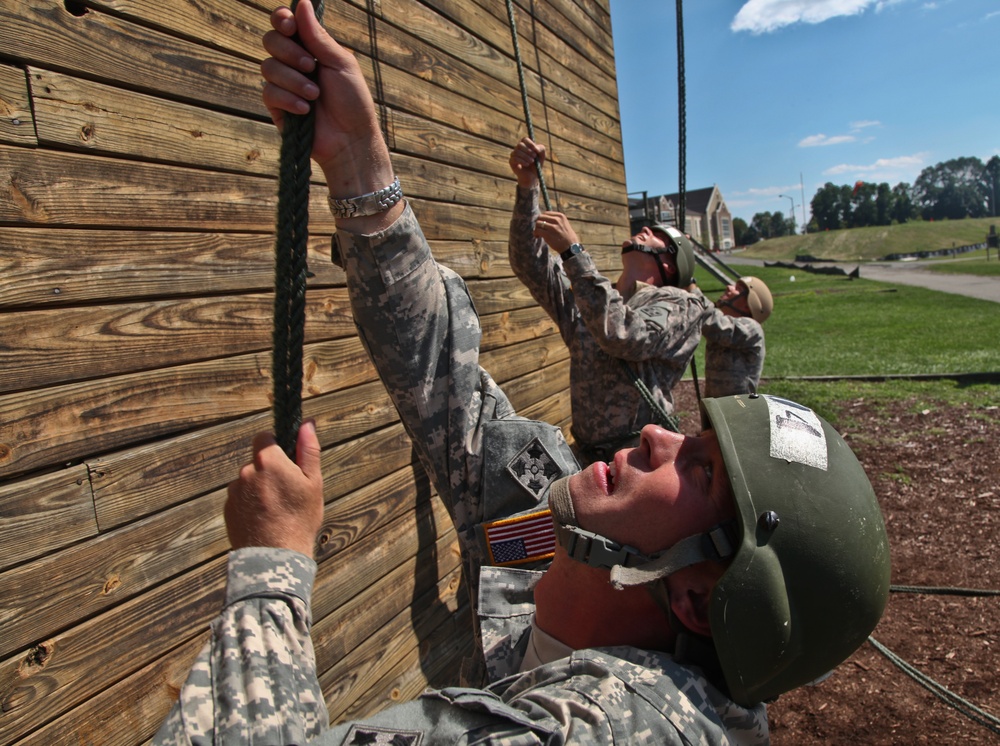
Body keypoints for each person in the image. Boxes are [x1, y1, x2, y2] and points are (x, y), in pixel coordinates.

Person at [154, 3, 890, 744]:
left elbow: (617, 328)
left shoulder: (630, 728)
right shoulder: (559, 534)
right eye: (689, 439)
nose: (658, 438)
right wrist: (361, 165)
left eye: (697, 471)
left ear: (700, 599)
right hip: (586, 457)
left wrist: (268, 571)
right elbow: (456, 369)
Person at [509, 137, 711, 464]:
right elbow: (528, 264)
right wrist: (527, 186)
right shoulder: (595, 298)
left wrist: (574, 253)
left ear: (669, 264)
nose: (646, 228)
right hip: (588, 461)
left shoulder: (681, 305)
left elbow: (625, 335)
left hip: (640, 463)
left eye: (657, 234)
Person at [701, 275, 772, 399]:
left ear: (748, 304)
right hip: (717, 410)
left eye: (737, 288)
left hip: (739, 411)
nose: (729, 287)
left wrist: (692, 294)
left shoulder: (752, 328)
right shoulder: (726, 323)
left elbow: (716, 325)